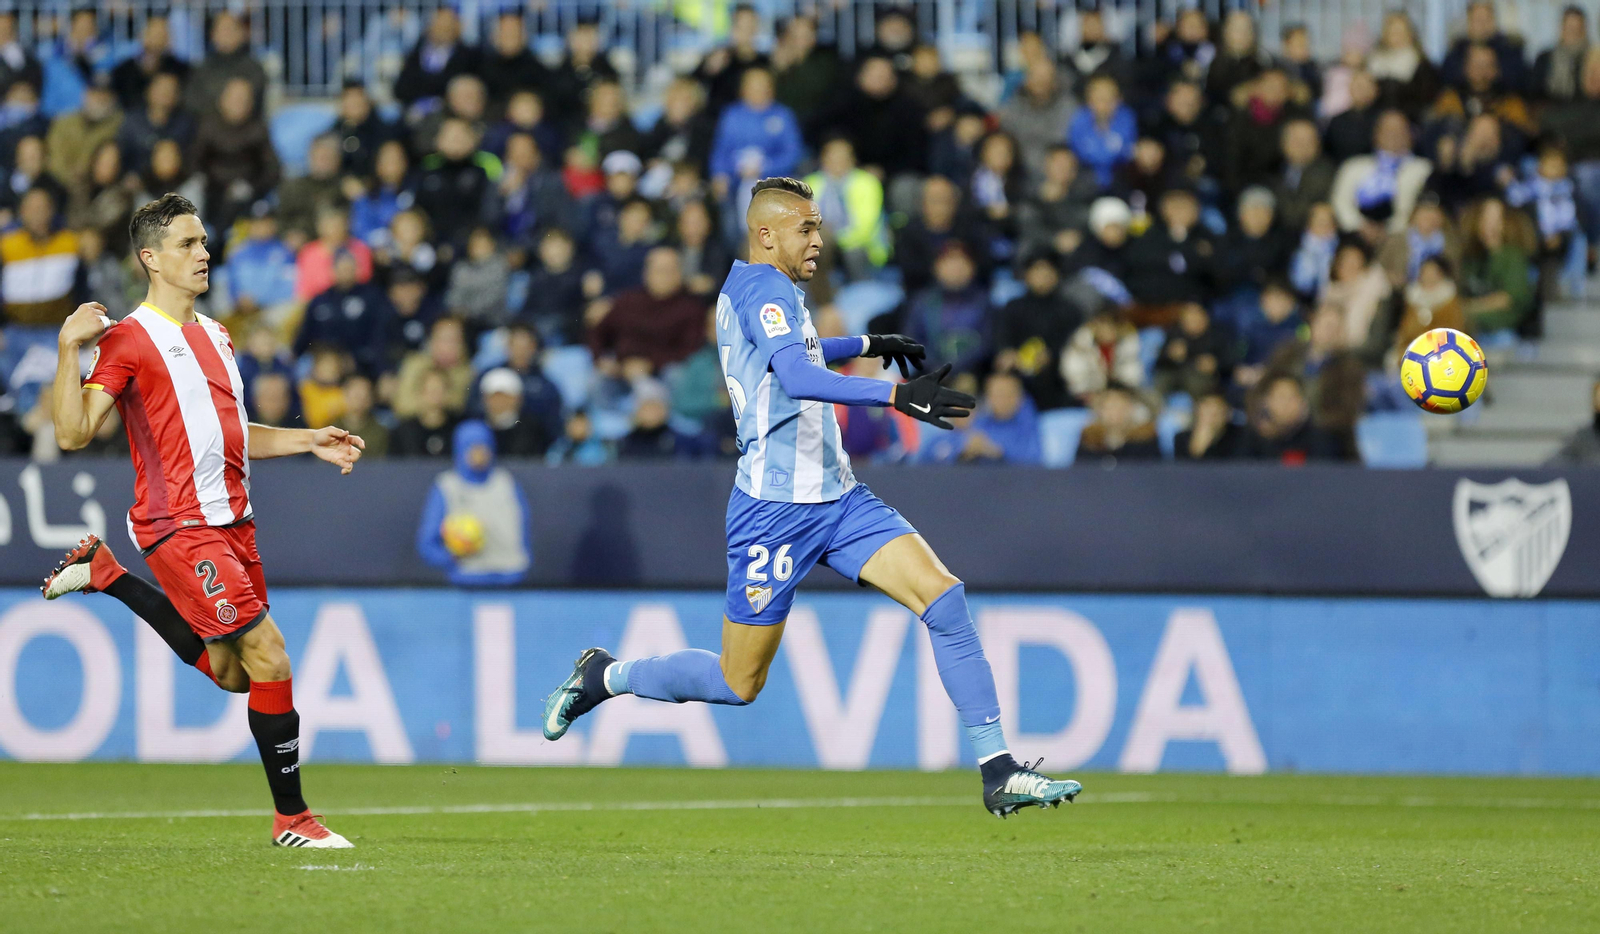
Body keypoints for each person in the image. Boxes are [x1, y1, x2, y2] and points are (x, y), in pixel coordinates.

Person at [541, 176, 1082, 817]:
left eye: (820, 227)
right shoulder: (762, 287)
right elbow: (796, 375)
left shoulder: (765, 291)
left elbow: (797, 350)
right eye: (807, 228)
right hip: (774, 512)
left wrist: (869, 346)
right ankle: (607, 675)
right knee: (737, 683)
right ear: (767, 234)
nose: (819, 240)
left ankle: (998, 768)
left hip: (839, 498)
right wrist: (894, 394)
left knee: (944, 597)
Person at [41, 193, 362, 848]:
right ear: (150, 258)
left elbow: (229, 434)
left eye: (204, 242)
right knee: (270, 656)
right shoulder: (128, 339)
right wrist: (66, 348)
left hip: (233, 522)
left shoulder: (216, 334)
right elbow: (73, 432)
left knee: (234, 674)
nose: (204, 253)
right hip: (178, 525)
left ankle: (107, 574)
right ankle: (293, 820)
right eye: (188, 244)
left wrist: (306, 441)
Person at [416, 420, 531, 586]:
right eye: (472, 447)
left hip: (510, 577)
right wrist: (451, 558)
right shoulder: (447, 486)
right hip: (468, 580)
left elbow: (524, 528)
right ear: (461, 450)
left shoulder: (506, 483)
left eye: (484, 447)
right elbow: (427, 543)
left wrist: (522, 561)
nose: (479, 454)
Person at [1076, 381, 1161, 464]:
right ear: (1099, 411)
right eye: (1109, 408)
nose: (1114, 413)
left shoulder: (1145, 438)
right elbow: (1081, 470)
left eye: (1120, 407)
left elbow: (1154, 471)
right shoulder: (1089, 439)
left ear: (1130, 409)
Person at [1174, 391, 1241, 460]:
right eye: (1208, 409)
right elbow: (1183, 468)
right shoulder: (1181, 438)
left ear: (1227, 413)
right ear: (1197, 410)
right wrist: (1199, 445)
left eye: (1218, 410)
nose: (1212, 416)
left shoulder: (1239, 437)